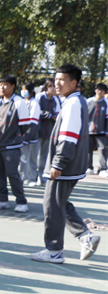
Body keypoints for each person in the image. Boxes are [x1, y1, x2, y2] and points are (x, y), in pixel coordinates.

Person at [30, 64, 101, 264]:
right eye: (56, 79)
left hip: (65, 165)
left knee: (52, 205)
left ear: (75, 82)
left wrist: (58, 163)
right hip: (70, 164)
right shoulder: (74, 100)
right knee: (58, 202)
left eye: (62, 80)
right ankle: (85, 236)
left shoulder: (73, 103)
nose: (57, 83)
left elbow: (68, 137)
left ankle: (54, 250)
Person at [0, 75, 30, 212]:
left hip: (11, 146)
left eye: (5, 84)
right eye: (0, 84)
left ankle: (21, 202)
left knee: (12, 173)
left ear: (13, 86)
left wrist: (15, 138)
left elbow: (25, 125)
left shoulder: (19, 102)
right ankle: (2, 200)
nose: (2, 87)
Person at [36, 78, 59, 183]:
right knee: (35, 155)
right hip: (38, 131)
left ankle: (41, 177)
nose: (52, 89)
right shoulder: (39, 96)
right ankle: (32, 177)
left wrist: (55, 117)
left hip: (49, 131)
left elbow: (58, 113)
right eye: (50, 86)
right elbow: (36, 111)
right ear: (46, 87)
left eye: (54, 86)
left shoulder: (56, 100)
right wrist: (49, 115)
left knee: (44, 156)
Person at [19, 82, 41, 185]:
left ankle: (30, 178)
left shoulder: (34, 103)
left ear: (31, 91)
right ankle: (21, 177)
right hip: (21, 135)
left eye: (25, 90)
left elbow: (33, 122)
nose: (23, 92)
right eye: (22, 89)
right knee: (22, 158)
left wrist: (27, 136)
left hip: (30, 136)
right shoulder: (22, 102)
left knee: (30, 158)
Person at [86, 83, 107, 175]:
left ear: (104, 92)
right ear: (95, 90)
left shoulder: (106, 103)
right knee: (88, 150)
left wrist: (106, 130)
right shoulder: (88, 101)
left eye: (102, 90)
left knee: (102, 149)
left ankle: (103, 169)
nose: (100, 91)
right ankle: (88, 167)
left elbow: (107, 118)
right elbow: (83, 116)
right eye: (98, 89)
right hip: (89, 130)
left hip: (101, 131)